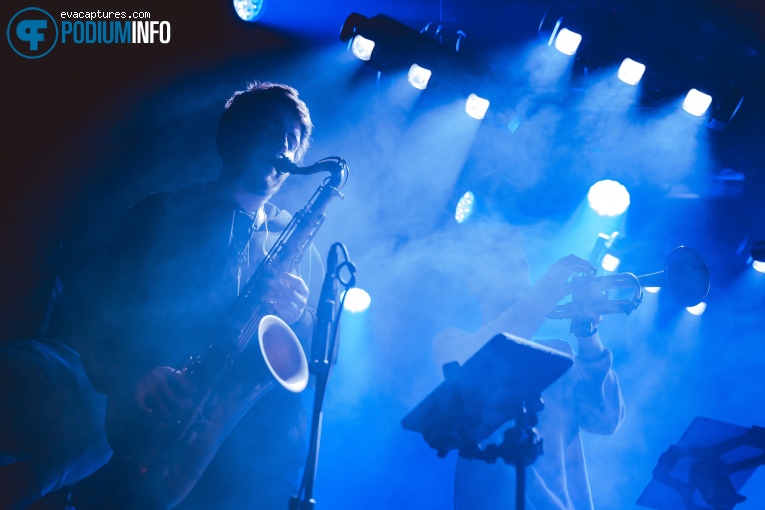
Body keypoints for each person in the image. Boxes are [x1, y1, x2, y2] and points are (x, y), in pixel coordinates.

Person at [68, 81, 325, 509]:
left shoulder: (298, 244)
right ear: (230, 136)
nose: (284, 146)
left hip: (241, 464)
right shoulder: (159, 214)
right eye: (268, 127)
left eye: (294, 142)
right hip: (151, 428)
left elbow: (308, 362)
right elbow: (94, 317)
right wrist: (133, 376)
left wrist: (299, 317)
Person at [433, 247, 626, 510]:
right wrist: (543, 294)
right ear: (473, 282)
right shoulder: (452, 342)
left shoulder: (558, 353)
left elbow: (605, 421)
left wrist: (588, 335)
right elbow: (476, 366)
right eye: (504, 261)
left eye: (523, 264)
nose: (519, 270)